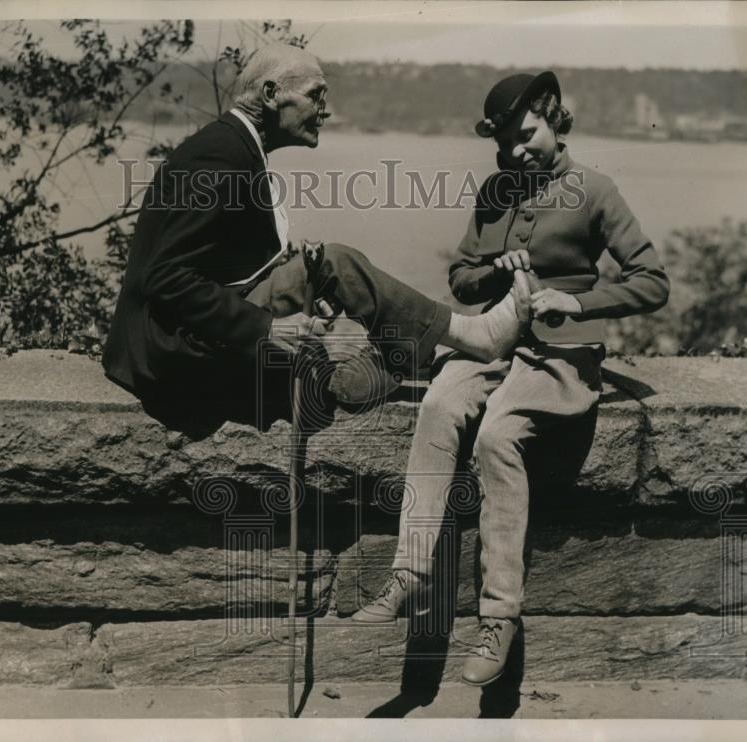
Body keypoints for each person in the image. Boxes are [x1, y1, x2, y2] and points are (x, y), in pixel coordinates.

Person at [350, 71, 671, 688]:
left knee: (498, 437)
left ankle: (499, 618)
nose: (518, 152)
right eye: (506, 144)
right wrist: (497, 270)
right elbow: (462, 280)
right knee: (439, 405)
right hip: (491, 337)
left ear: (554, 119)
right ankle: (408, 577)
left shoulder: (595, 191)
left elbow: (652, 282)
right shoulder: (495, 191)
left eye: (528, 136)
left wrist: (579, 304)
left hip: (561, 353)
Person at [103, 44, 531, 433]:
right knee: (335, 263)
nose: (324, 110)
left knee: (319, 273)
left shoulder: (233, 146)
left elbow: (204, 264)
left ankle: (381, 367)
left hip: (174, 348)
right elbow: (164, 277)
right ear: (271, 95)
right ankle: (467, 336)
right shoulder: (222, 155)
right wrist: (266, 325)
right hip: (173, 362)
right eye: (315, 94)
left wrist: (282, 273)